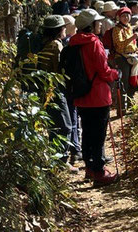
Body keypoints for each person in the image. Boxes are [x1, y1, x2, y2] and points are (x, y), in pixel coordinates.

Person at [68, 9, 119, 186]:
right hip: (98, 96)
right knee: (98, 136)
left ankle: (90, 168)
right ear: (91, 25)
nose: (100, 24)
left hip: (81, 96)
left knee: (87, 133)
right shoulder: (94, 43)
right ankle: (99, 172)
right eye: (97, 22)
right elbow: (103, 71)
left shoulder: (73, 42)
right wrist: (115, 74)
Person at [37, 15, 77, 172]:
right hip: (54, 90)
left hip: (45, 90)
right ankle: (61, 162)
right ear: (59, 30)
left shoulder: (44, 45)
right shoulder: (56, 46)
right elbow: (60, 68)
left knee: (55, 126)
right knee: (65, 126)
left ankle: (56, 162)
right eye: (64, 28)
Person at [112, 7, 138, 113]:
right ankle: (121, 109)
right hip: (122, 58)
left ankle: (130, 105)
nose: (126, 17)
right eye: (123, 16)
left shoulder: (129, 27)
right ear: (119, 17)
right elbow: (119, 45)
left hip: (132, 57)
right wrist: (132, 38)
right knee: (124, 84)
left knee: (133, 82)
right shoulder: (117, 29)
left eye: (128, 15)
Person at [61, 14, 81, 163]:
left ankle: (72, 149)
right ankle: (75, 148)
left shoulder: (58, 43)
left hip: (62, 87)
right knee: (72, 118)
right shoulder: (68, 43)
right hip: (69, 87)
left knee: (69, 118)